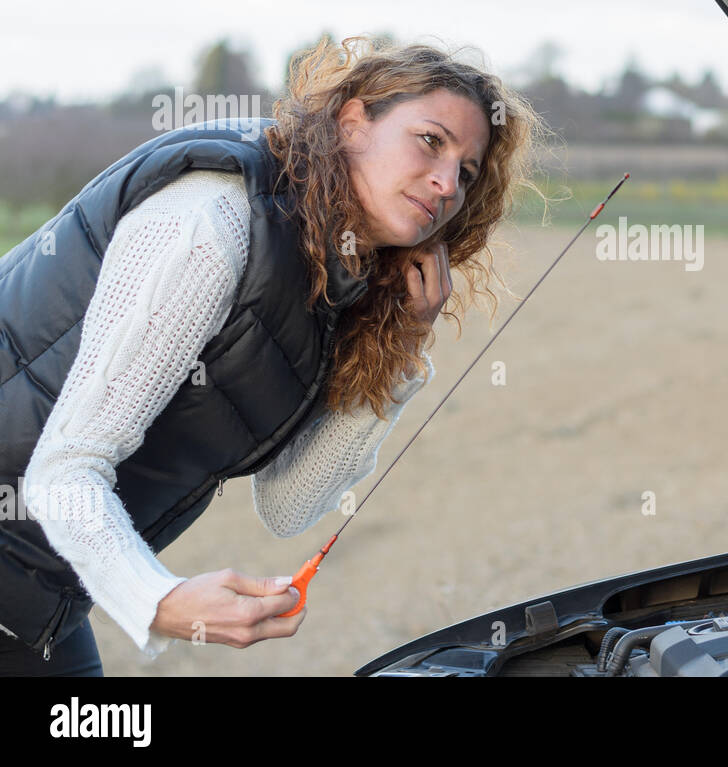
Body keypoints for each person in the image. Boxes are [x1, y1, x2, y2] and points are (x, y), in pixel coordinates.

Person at [0, 34, 546, 674]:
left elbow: (287, 505)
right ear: (351, 123)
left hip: (36, 600)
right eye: (430, 141)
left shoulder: (330, 276)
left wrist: (399, 350)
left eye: (468, 170)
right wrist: (158, 599)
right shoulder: (215, 221)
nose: (447, 182)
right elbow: (63, 470)